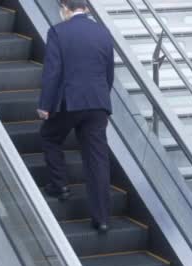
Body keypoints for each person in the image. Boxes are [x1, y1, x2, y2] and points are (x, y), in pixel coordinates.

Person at [37, 0, 114, 232]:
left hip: (70, 101)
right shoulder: (103, 32)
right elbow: (108, 70)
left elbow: (52, 72)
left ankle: (59, 186)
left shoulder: (58, 31)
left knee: (49, 136)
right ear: (87, 8)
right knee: (97, 160)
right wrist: (102, 100)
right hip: (98, 102)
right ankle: (102, 219)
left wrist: (45, 105)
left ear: (64, 7)